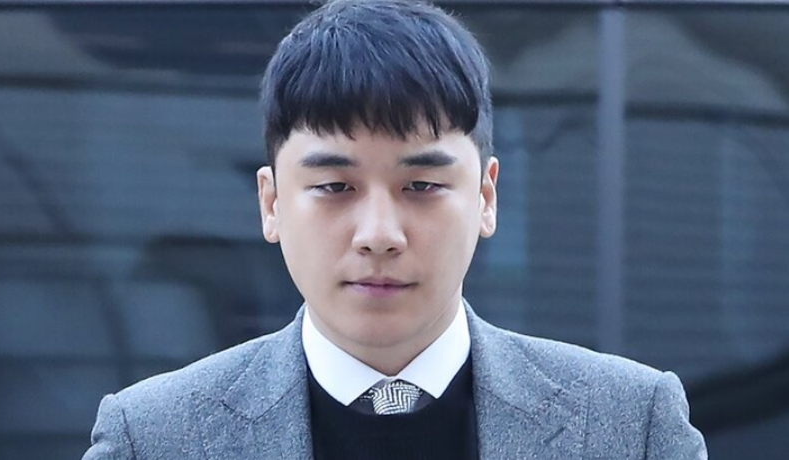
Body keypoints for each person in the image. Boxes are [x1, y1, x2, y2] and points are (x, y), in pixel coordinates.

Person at [82, 0, 708, 459]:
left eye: (422, 185)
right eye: (335, 187)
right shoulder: (153, 437)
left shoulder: (631, 425)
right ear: (271, 203)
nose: (379, 234)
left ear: (486, 196)